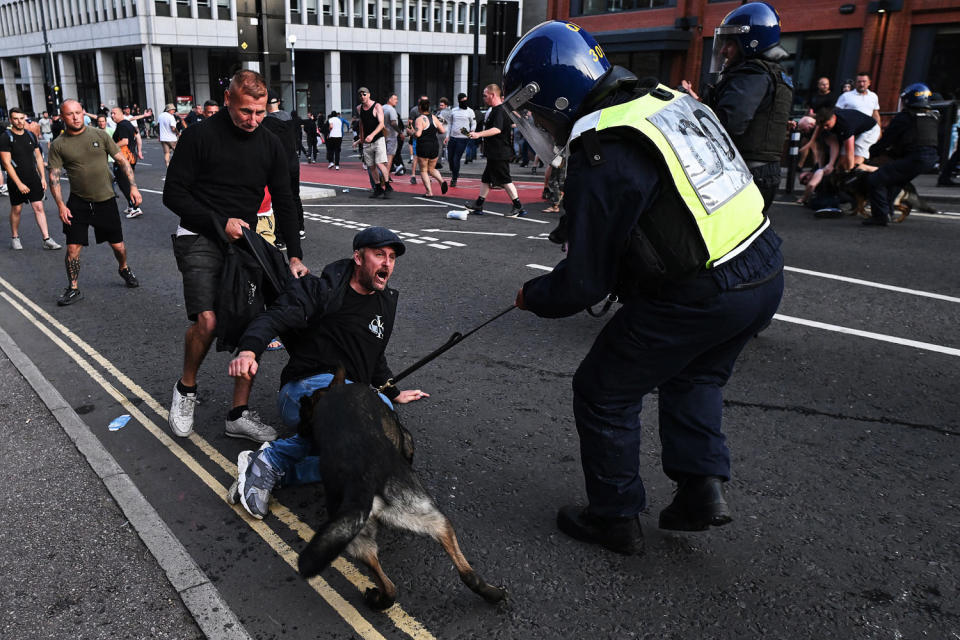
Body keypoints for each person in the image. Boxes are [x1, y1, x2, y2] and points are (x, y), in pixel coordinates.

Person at [503, 21, 784, 555]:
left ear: (558, 93)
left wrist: (533, 295)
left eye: (533, 110)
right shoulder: (660, 100)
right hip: (763, 263)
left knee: (603, 390)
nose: (535, 124)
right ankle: (702, 490)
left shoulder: (602, 144)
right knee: (694, 373)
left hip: (703, 287)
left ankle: (613, 517)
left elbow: (584, 283)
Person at [225, 227, 428, 518]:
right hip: (305, 388)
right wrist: (249, 350)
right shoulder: (322, 290)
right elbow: (274, 316)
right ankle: (274, 456)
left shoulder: (384, 302)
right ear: (358, 258)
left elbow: (373, 353)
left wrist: (392, 391)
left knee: (388, 449)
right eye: (379, 255)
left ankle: (270, 470)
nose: (387, 263)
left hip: (354, 394)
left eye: (392, 257)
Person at [162, 69, 309, 442]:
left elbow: (285, 200)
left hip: (243, 238)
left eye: (260, 112)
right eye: (246, 111)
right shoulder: (199, 136)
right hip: (197, 233)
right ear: (227, 100)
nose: (253, 120)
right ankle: (186, 389)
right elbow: (173, 196)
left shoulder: (270, 143)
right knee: (208, 322)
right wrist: (216, 221)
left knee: (251, 325)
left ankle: (238, 414)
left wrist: (295, 255)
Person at [685, 1, 793, 212]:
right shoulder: (772, 74)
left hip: (745, 171)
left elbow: (726, 125)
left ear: (752, 43)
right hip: (759, 171)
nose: (723, 50)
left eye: (730, 43)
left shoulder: (752, 75)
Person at [47, 100, 141, 306]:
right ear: (62, 117)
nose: (75, 117)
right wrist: (61, 205)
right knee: (72, 248)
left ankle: (123, 268)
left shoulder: (99, 135)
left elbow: (122, 160)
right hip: (77, 203)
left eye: (78, 112)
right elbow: (53, 177)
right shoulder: (58, 145)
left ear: (83, 113)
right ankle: (73, 288)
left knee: (118, 247)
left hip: (105, 201)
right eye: (70, 114)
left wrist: (133, 187)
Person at [862, 83, 940, 227]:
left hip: (916, 157)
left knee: (875, 179)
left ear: (909, 100)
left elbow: (887, 140)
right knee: (895, 180)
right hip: (930, 158)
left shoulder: (905, 117)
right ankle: (888, 211)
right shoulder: (932, 117)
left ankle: (880, 216)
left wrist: (870, 154)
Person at [0, 108, 60, 250]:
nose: (20, 121)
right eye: (16, 118)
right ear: (11, 120)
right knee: (17, 209)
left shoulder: (30, 135)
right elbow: (7, 164)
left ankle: (46, 239)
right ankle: (15, 237)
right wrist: (19, 183)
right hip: (16, 180)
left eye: (22, 118)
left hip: (33, 177)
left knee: (39, 207)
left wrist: (43, 178)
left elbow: (38, 157)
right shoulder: (5, 137)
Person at [465, 84, 527, 218]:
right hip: (495, 151)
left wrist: (479, 134)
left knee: (505, 180)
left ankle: (518, 207)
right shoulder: (496, 109)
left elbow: (497, 129)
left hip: (500, 152)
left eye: (485, 95)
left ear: (493, 95)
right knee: (486, 178)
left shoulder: (499, 110)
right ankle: (479, 204)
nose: (483, 98)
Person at [261, 91, 305, 243]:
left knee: (279, 201)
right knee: (294, 196)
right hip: (294, 163)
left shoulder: (266, 123)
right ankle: (300, 228)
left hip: (279, 166)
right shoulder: (290, 119)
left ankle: (280, 236)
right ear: (278, 102)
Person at [815, 105, 881, 174]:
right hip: (855, 131)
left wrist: (850, 169)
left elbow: (850, 151)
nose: (825, 128)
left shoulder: (845, 125)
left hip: (869, 131)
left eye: (827, 125)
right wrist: (831, 165)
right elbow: (834, 146)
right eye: (822, 126)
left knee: (854, 164)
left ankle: (877, 170)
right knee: (840, 165)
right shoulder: (828, 122)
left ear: (834, 118)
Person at [354, 88, 391, 198]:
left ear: (369, 95)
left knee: (380, 163)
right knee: (371, 166)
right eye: (360, 95)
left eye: (364, 94)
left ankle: (388, 186)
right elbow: (361, 123)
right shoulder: (359, 108)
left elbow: (381, 124)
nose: (362, 97)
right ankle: (378, 188)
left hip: (378, 139)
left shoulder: (377, 106)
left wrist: (372, 135)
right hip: (366, 142)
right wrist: (361, 138)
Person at [110, 106, 144, 219]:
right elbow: (138, 137)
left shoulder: (122, 125)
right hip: (131, 157)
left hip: (124, 158)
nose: (112, 115)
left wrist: (110, 147)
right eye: (111, 113)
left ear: (121, 114)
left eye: (114, 113)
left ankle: (135, 207)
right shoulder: (129, 124)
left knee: (123, 183)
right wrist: (138, 151)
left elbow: (125, 141)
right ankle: (131, 206)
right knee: (127, 181)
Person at [413, 98, 448, 196]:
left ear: (420, 107)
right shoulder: (434, 117)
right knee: (432, 169)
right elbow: (442, 130)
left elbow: (418, 134)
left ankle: (429, 192)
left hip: (424, 146)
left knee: (424, 170)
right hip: (434, 145)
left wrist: (412, 132)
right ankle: (441, 181)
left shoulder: (419, 119)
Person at [446, 93, 475, 188]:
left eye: (466, 100)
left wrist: (471, 131)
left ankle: (454, 178)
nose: (464, 103)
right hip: (453, 137)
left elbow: (473, 122)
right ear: (459, 101)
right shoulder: (453, 111)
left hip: (463, 138)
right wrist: (447, 136)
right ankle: (455, 171)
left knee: (456, 158)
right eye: (462, 101)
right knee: (450, 158)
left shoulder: (470, 111)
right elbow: (449, 124)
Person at [382, 93, 403, 179]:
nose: (397, 101)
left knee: (383, 158)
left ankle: (383, 175)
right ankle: (386, 177)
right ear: (390, 99)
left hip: (383, 135)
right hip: (392, 136)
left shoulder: (382, 108)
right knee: (389, 157)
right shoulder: (391, 110)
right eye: (395, 99)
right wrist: (400, 133)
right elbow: (393, 123)